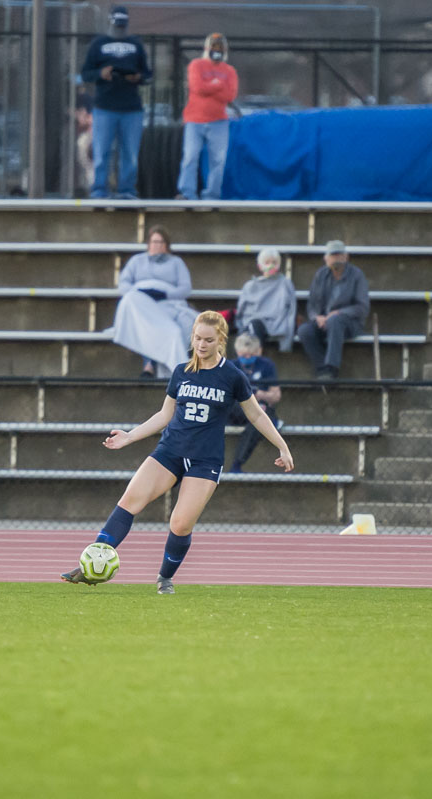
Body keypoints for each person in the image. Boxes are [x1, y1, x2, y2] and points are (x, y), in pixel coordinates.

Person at [62, 311, 294, 594]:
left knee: (181, 523)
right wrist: (130, 436)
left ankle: (164, 578)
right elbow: (164, 415)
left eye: (208, 340)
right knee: (130, 500)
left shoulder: (232, 376)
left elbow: (256, 416)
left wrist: (281, 445)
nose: (201, 344)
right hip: (170, 450)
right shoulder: (181, 372)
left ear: (221, 340)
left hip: (205, 459)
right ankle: (90, 564)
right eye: (197, 338)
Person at [79, 5, 152, 199]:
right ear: (110, 22)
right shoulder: (98, 44)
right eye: (117, 25)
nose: (120, 29)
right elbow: (85, 73)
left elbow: (148, 74)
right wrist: (101, 74)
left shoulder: (136, 44)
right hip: (105, 108)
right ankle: (99, 190)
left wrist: (138, 77)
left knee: (130, 154)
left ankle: (126, 190)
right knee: (102, 153)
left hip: (131, 108)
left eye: (122, 25)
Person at [111, 226, 198, 378]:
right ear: (148, 244)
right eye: (154, 241)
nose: (157, 245)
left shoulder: (176, 262)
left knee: (172, 332)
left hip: (166, 305)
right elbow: (124, 284)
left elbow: (185, 288)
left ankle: (166, 368)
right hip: (142, 304)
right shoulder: (137, 261)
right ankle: (149, 365)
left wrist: (165, 294)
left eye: (160, 242)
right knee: (131, 303)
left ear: (166, 244)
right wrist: (141, 293)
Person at [176, 32, 238, 201]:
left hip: (219, 122)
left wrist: (210, 87)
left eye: (220, 48)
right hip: (194, 120)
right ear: (207, 48)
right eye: (213, 47)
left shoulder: (229, 71)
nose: (216, 51)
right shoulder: (196, 65)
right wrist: (217, 86)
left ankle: (212, 195)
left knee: (218, 161)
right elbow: (197, 88)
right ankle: (187, 193)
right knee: (190, 156)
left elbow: (229, 96)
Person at [296, 240, 370, 379]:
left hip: (349, 323)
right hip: (323, 321)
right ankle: (322, 368)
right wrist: (316, 317)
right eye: (333, 255)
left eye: (339, 255)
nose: (336, 258)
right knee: (304, 330)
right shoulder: (320, 275)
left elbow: (362, 307)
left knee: (335, 321)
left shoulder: (357, 275)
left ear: (346, 257)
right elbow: (311, 305)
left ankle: (332, 367)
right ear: (326, 258)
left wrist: (339, 312)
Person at [227, 333, 283, 474]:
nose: (247, 358)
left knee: (260, 420)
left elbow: (276, 395)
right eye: (243, 354)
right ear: (238, 352)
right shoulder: (231, 366)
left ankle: (237, 464)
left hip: (259, 410)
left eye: (251, 354)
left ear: (258, 351)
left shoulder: (266, 365)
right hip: (237, 410)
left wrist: (259, 395)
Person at [234, 247, 296, 352]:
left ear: (279, 265)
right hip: (253, 322)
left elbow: (291, 311)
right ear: (260, 266)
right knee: (252, 327)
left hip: (277, 323)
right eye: (267, 262)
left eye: (274, 262)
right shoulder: (250, 286)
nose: (271, 265)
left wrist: (287, 340)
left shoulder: (285, 284)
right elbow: (241, 312)